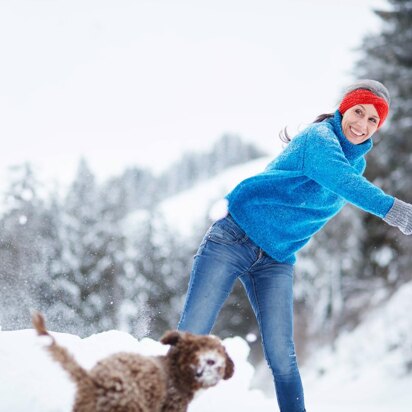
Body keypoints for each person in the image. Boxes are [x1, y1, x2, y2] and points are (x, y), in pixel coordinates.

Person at [177, 79, 412, 412]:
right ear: (343, 109)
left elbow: (343, 184)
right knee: (191, 336)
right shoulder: (319, 140)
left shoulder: (355, 164)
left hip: (276, 259)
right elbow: (345, 183)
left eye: (373, 120)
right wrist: (401, 214)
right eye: (358, 111)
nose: (362, 124)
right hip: (235, 235)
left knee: (283, 359)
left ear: (378, 127)